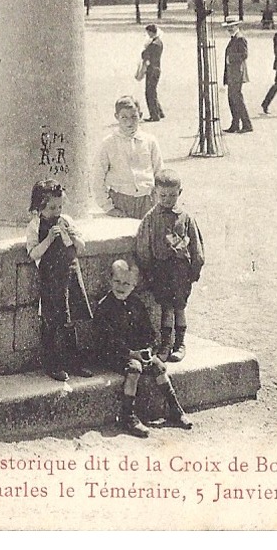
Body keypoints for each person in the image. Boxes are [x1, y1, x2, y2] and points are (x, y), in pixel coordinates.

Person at [92, 259, 192, 437]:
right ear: (110, 280)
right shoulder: (104, 307)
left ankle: (175, 408)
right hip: (113, 354)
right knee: (134, 368)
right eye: (117, 282)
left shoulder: (136, 304)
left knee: (159, 366)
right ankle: (128, 416)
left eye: (127, 283)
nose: (121, 287)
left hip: (137, 352)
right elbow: (107, 340)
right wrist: (131, 354)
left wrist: (148, 350)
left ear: (134, 286)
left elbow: (149, 332)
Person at [26, 179, 93, 382]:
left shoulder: (67, 220)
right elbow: (33, 253)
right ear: (40, 207)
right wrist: (48, 240)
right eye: (52, 207)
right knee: (52, 321)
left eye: (60, 206)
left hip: (71, 275)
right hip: (51, 279)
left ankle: (73, 361)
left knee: (70, 319)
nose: (57, 211)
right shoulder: (35, 225)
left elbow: (81, 247)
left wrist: (74, 237)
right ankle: (52, 363)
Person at [135, 172, 204, 363]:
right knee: (166, 308)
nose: (167, 200)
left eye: (172, 195)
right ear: (155, 193)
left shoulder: (186, 218)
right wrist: (148, 271)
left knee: (180, 308)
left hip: (181, 272)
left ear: (179, 192)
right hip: (161, 271)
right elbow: (143, 247)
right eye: (163, 195)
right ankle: (165, 343)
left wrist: (194, 270)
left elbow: (196, 246)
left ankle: (180, 343)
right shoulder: (150, 218)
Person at [92, 95, 163, 219]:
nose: (129, 122)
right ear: (116, 117)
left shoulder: (150, 141)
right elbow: (98, 177)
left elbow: (159, 172)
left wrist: (157, 199)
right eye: (124, 117)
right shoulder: (108, 143)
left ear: (140, 115)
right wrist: (108, 207)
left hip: (147, 200)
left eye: (134, 117)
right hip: (121, 201)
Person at [222, 16, 252, 133]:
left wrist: (231, 58)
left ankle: (246, 124)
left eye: (232, 26)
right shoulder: (233, 38)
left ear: (237, 26)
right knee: (232, 99)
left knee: (237, 99)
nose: (230, 28)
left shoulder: (240, 38)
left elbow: (244, 55)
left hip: (237, 74)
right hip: (232, 74)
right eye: (228, 27)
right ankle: (235, 124)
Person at [140, 24, 165, 121]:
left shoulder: (153, 44)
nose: (147, 34)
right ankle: (159, 112)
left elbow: (145, 55)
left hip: (151, 70)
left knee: (149, 93)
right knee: (153, 92)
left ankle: (154, 115)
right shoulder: (159, 42)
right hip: (157, 69)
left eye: (148, 32)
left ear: (151, 32)